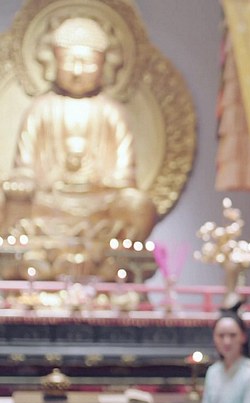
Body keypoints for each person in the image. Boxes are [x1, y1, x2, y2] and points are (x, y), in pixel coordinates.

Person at [2, 16, 155, 243]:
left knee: (139, 204)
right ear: (53, 61)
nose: (77, 71)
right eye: (68, 62)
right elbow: (24, 169)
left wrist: (96, 184)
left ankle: (110, 244)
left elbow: (124, 178)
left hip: (99, 204)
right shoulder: (40, 109)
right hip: (50, 203)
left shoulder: (112, 113)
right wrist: (24, 183)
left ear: (103, 65)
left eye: (88, 63)